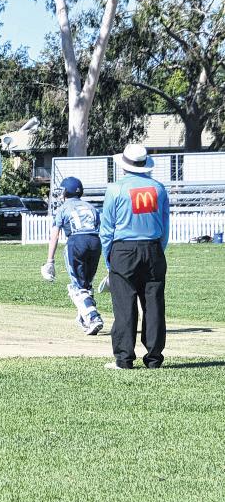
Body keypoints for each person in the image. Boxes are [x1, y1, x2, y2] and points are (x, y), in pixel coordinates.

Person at [100, 143, 170, 370]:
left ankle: (124, 358)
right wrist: (158, 250)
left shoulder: (115, 189)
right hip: (153, 248)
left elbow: (107, 229)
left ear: (124, 165)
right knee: (154, 304)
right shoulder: (158, 189)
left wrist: (109, 258)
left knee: (124, 304)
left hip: (123, 250)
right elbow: (165, 226)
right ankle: (154, 358)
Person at [41, 177, 104, 335]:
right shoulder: (90, 207)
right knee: (86, 283)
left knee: (77, 287)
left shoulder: (63, 208)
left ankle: (93, 317)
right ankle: (84, 317)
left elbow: (55, 235)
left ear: (65, 192)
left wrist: (50, 261)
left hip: (77, 241)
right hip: (95, 242)